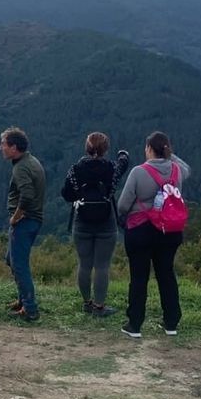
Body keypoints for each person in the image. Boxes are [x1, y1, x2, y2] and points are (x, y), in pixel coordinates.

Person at [116, 131, 189, 338]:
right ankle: (171, 322)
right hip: (169, 231)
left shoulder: (139, 172)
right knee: (166, 274)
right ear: (167, 149)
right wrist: (170, 155)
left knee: (139, 277)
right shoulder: (177, 171)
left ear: (148, 149)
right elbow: (187, 170)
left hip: (141, 231)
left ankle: (135, 324)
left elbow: (122, 205)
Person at [61, 132, 130, 317]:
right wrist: (123, 155)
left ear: (87, 148)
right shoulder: (111, 168)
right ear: (105, 149)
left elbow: (67, 194)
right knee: (102, 266)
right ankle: (99, 307)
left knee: (84, 264)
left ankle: (86, 303)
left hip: (82, 220)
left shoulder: (75, 169)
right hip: (106, 222)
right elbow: (123, 165)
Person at [0, 126, 45, 321]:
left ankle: (30, 308)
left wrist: (16, 217)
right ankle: (22, 300)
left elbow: (26, 196)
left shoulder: (21, 168)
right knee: (12, 259)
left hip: (25, 222)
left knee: (19, 265)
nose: (0, 148)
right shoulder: (30, 160)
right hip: (33, 220)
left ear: (14, 147)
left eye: (4, 144)